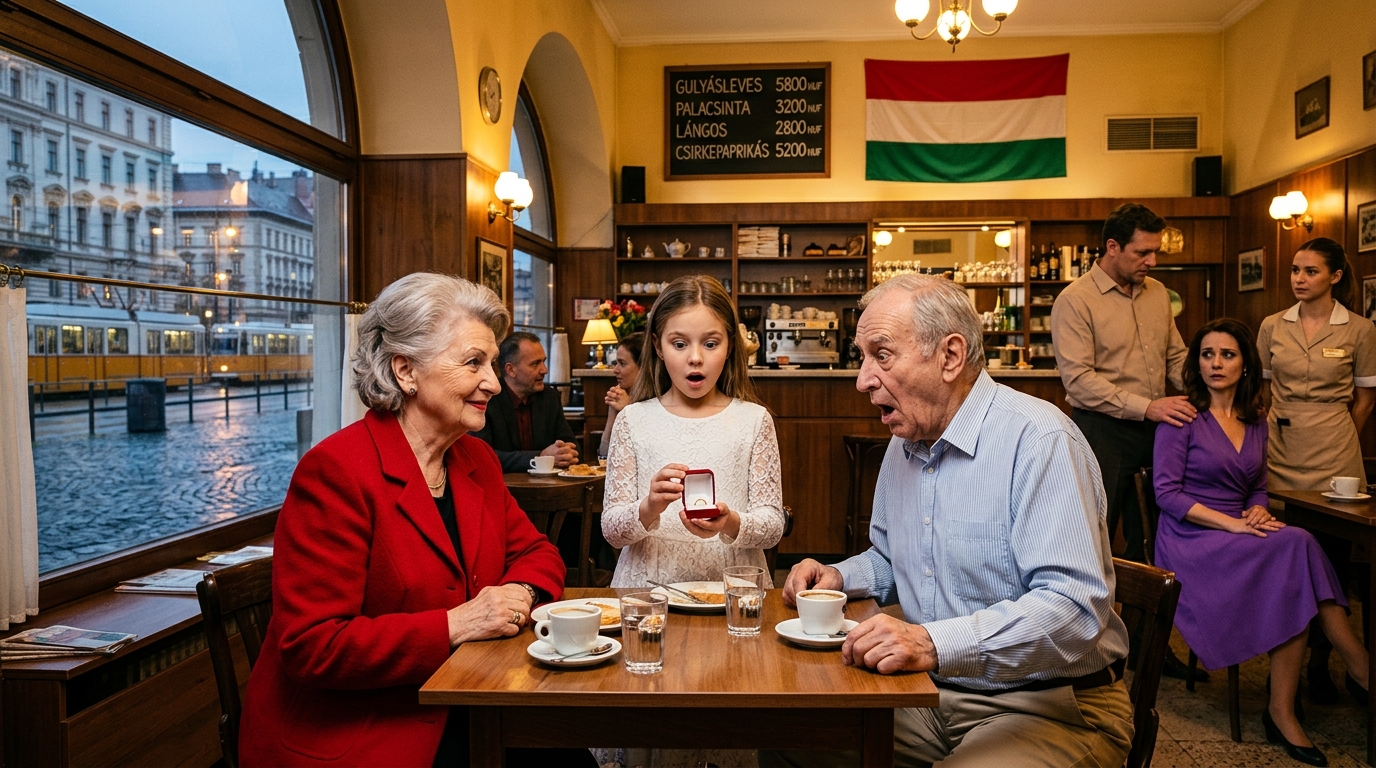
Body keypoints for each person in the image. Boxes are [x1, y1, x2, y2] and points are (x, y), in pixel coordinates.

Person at [774, 275, 1133, 767]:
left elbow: (1073, 610)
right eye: (862, 357)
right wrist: (841, 576)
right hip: (934, 692)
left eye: (882, 354)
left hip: (1055, 706)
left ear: (950, 356)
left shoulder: (1039, 439)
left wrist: (931, 641)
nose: (862, 380)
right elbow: (892, 558)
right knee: (790, 737)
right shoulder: (905, 444)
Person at [237, 273, 589, 768]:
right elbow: (312, 645)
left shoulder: (475, 460)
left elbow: (537, 554)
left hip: (467, 695)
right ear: (405, 370)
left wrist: (520, 596)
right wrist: (455, 624)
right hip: (364, 730)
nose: (492, 381)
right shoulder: (336, 472)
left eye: (491, 363)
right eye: (473, 363)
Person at [1153, 317, 1368, 767]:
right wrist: (1231, 525)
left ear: (1245, 364)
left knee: (1293, 557)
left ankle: (1286, 706)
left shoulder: (1255, 418)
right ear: (1196, 362)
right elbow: (1167, 495)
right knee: (1298, 546)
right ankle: (1357, 663)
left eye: (1227, 355)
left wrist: (1257, 509)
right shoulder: (1182, 417)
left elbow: (1256, 485)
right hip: (1192, 539)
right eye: (1207, 354)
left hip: (1242, 532)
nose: (1216, 363)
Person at [599, 276, 784, 768]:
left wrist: (731, 521)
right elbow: (612, 530)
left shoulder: (753, 420)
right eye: (680, 344)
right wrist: (647, 508)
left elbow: (772, 524)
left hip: (730, 600)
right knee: (648, 723)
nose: (695, 358)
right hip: (647, 595)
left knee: (724, 721)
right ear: (658, 348)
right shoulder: (635, 421)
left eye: (711, 342)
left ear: (731, 348)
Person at [1052, 202, 1201, 681]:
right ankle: (1086, 649)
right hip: (1103, 431)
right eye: (1143, 252)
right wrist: (1147, 406)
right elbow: (1079, 382)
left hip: (1159, 432)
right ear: (1112, 247)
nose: (1152, 262)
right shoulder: (1075, 300)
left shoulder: (1158, 293)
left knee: (1152, 541)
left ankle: (1146, 646)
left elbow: (1176, 355)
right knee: (1094, 542)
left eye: (1155, 252)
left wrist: (1210, 392)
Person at [1257, 237, 1376, 703]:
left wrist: (1339, 429)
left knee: (1332, 560)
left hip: (1335, 453)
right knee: (1283, 563)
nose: (1299, 279)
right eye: (1295, 270)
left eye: (1310, 271)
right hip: (1281, 449)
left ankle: (1324, 664)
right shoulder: (1272, 325)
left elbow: (1366, 398)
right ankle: (1282, 668)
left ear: (1335, 277)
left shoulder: (1361, 329)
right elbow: (1263, 391)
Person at [473, 331, 580, 473]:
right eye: (535, 364)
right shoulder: (485, 399)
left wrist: (567, 452)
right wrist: (540, 457)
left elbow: (573, 446)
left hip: (545, 488)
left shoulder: (549, 398)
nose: (544, 370)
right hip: (502, 486)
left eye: (544, 361)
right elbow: (480, 456)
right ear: (511, 370)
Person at [598, 331, 645, 460]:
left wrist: (629, 410)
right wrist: (613, 415)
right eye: (616, 363)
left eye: (622, 363)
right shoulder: (620, 396)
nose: (615, 370)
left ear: (643, 367)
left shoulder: (664, 400)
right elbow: (604, 454)